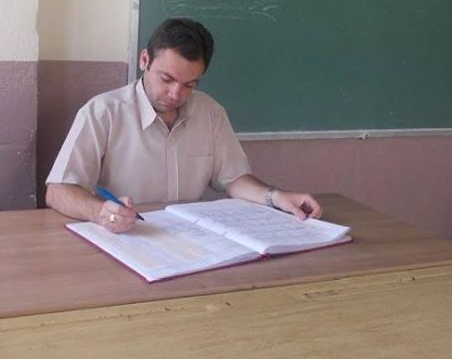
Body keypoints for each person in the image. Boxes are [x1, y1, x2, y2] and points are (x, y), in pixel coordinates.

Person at [46, 17, 322, 232]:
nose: (176, 94)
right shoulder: (103, 112)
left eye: (190, 84)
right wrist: (100, 212)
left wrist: (277, 197)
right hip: (127, 237)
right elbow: (58, 191)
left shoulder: (210, 112)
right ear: (144, 60)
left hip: (192, 238)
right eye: (166, 79)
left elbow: (235, 179)